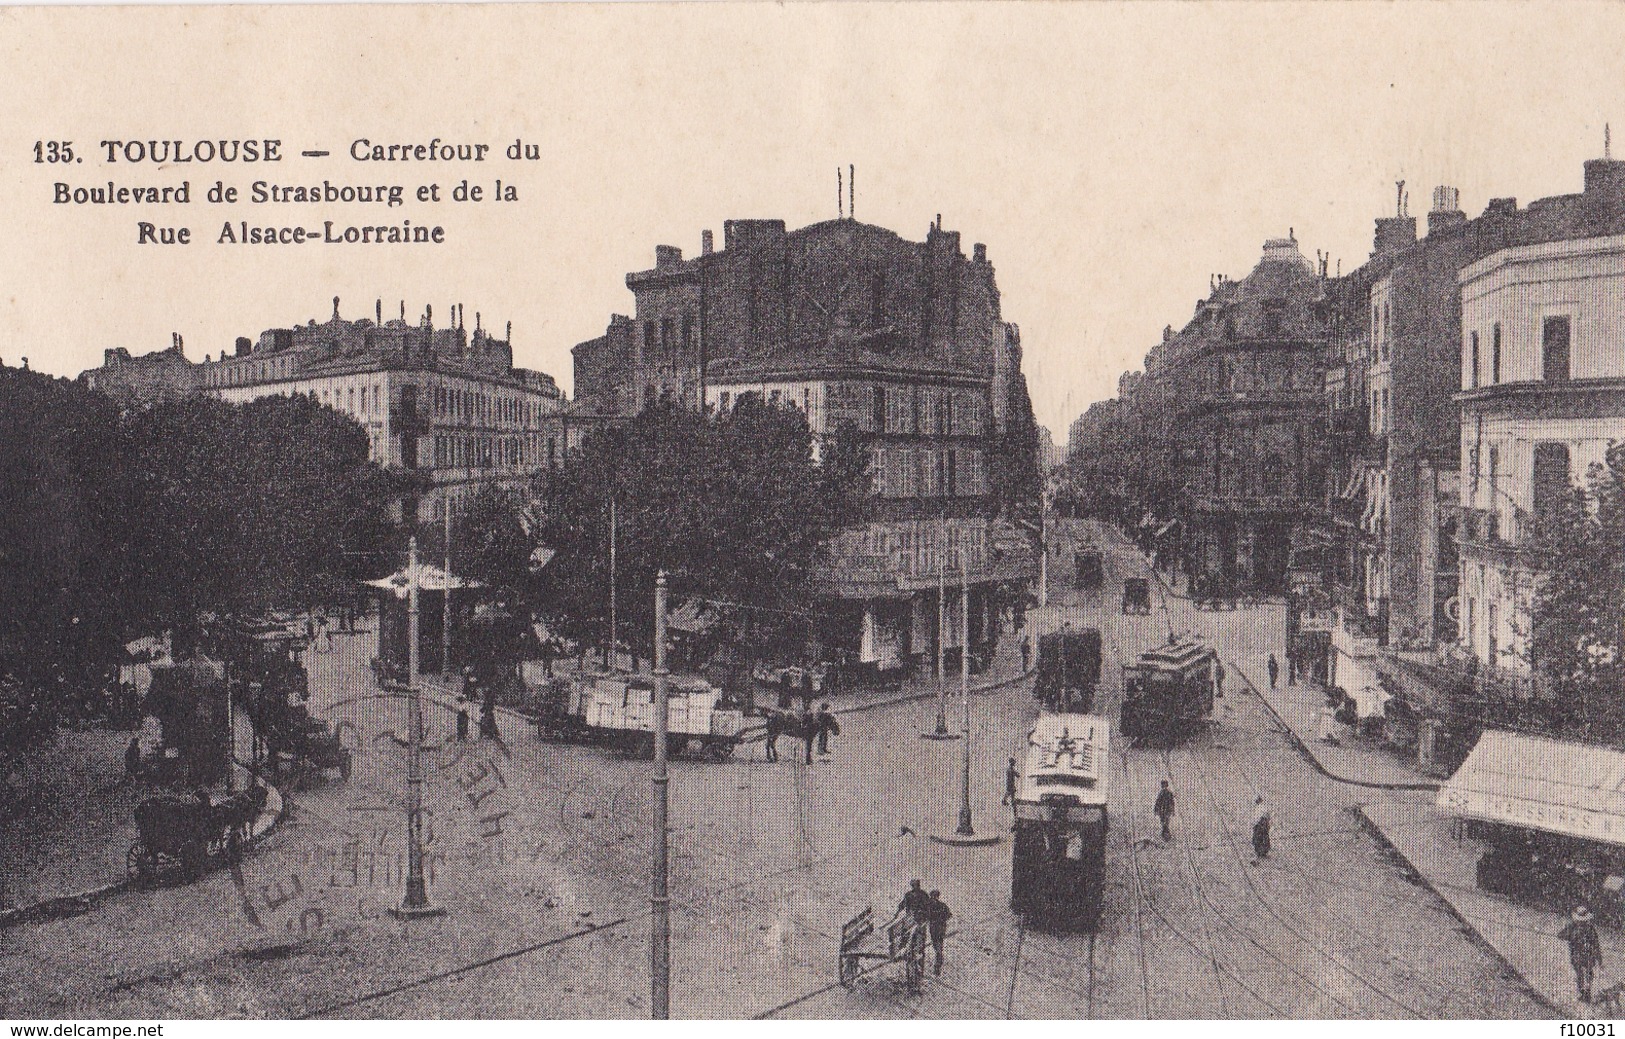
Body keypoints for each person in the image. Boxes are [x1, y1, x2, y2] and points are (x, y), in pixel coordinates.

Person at [1560, 905, 1604, 1003]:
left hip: (1580, 955)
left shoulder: (1575, 927)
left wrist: (1599, 958)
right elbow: (1561, 935)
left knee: (1584, 974)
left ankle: (1585, 993)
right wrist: (1599, 958)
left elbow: (1596, 944)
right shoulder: (1583, 928)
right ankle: (1585, 993)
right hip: (1583, 955)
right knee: (1584, 974)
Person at [924, 889, 952, 976]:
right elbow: (948, 915)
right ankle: (937, 969)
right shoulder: (938, 905)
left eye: (934, 896)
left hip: (937, 929)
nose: (933, 898)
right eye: (933, 896)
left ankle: (937, 969)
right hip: (938, 929)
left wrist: (938, 919)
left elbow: (949, 915)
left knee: (938, 949)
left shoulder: (933, 905)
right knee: (938, 948)